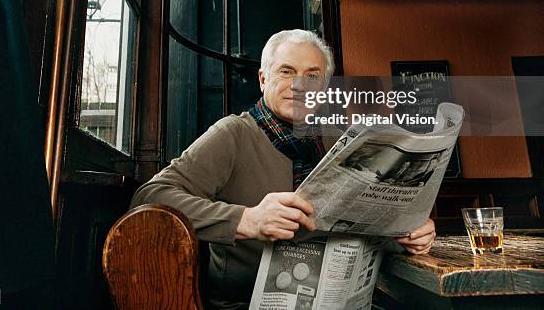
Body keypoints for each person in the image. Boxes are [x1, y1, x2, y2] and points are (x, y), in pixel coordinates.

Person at [131, 29, 436, 308]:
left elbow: (362, 223)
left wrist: (404, 234)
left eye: (312, 75)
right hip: (247, 304)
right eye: (286, 71)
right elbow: (150, 196)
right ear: (263, 79)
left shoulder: (344, 139)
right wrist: (245, 219)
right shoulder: (233, 134)